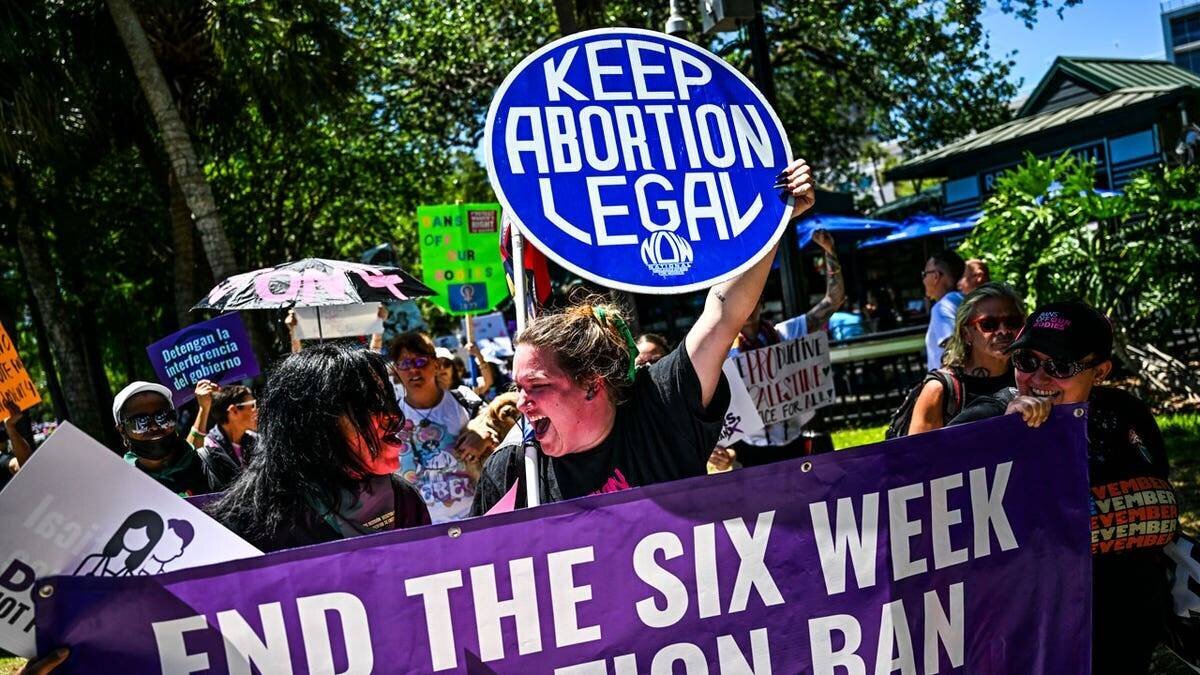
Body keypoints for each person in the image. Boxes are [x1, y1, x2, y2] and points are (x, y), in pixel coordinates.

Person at [471, 158, 817, 513]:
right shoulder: (515, 474)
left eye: (537, 386)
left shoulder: (661, 408)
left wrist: (773, 218)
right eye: (519, 387)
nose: (521, 403)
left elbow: (722, 314)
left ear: (592, 383)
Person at [948, 301, 1178, 675]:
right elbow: (933, 507)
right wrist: (1002, 440)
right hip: (1030, 636)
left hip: (1121, 624)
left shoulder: (1126, 415)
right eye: (1026, 362)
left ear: (1100, 371)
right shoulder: (984, 420)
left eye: (1060, 366)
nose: (1038, 378)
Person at [207, 344, 430, 552]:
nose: (392, 417)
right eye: (369, 406)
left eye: (388, 400)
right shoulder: (246, 530)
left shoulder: (402, 499)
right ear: (318, 424)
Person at [722, 227, 844, 466]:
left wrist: (830, 252)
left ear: (762, 303)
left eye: (752, 299)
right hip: (751, 451)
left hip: (794, 443)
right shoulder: (725, 353)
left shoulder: (786, 333)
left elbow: (833, 301)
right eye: (740, 300)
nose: (747, 306)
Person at [389, 331, 491, 522]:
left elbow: (500, 428)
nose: (413, 370)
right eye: (404, 364)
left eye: (420, 361)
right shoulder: (390, 419)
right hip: (420, 530)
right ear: (396, 371)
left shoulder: (466, 402)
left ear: (436, 364)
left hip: (474, 520)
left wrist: (484, 436)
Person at [905, 283, 1024, 435]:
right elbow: (916, 455)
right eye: (988, 324)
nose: (1003, 331)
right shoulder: (940, 389)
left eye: (1012, 322)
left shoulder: (1032, 376)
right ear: (966, 333)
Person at [112, 382, 217, 497]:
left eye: (163, 417)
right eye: (140, 422)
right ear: (122, 430)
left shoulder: (212, 466)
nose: (154, 426)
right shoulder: (121, 489)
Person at [195, 384, 259, 490]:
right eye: (252, 405)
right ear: (233, 410)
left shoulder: (257, 441)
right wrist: (203, 407)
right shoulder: (208, 447)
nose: (257, 410)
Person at [922, 249, 965, 370]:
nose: (923, 280)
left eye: (925, 274)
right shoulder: (963, 299)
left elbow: (954, 354)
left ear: (935, 276)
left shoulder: (941, 308)